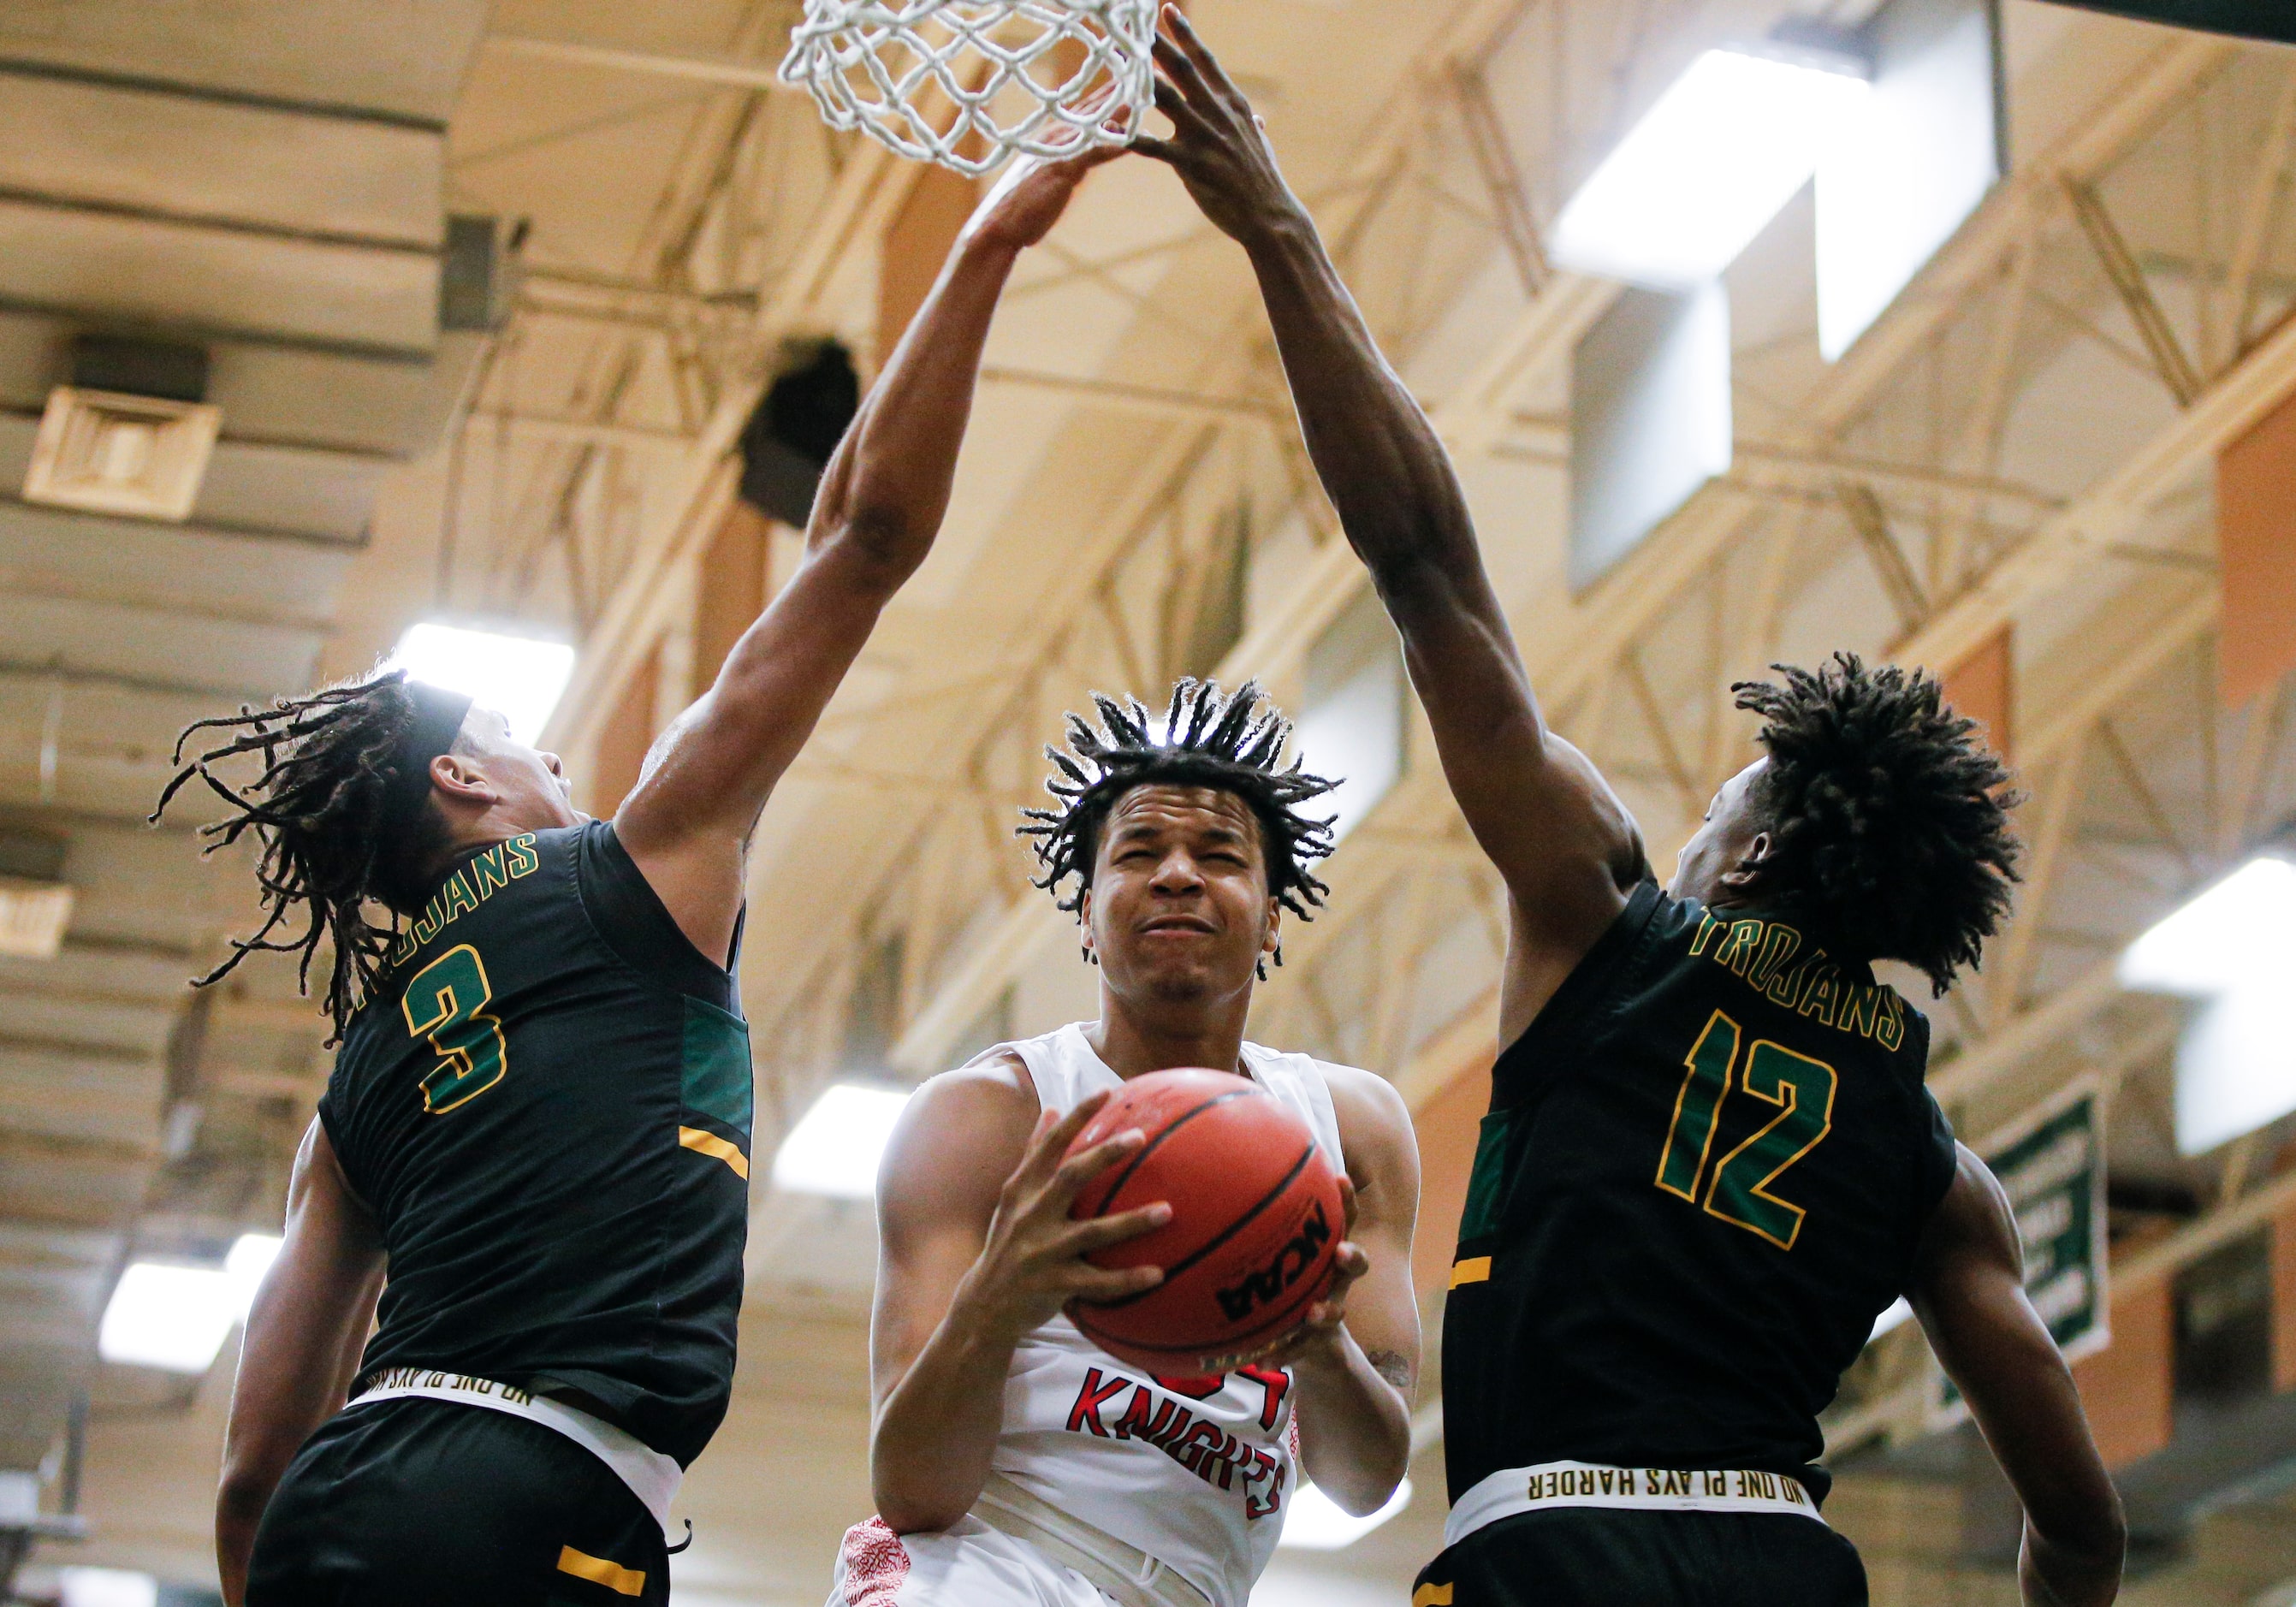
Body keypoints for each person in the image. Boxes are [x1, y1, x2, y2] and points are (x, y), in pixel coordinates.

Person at [1132, 11, 2128, 1607]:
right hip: (1783, 1563)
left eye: (1711, 804)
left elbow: (1423, 565)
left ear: (1751, 851)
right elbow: (2080, 1525)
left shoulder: (1602, 917)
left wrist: (1275, 224)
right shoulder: (1931, 1161)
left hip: (1557, 1541)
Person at [163, 147, 1121, 1607]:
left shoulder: (356, 1083)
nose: (560, 765)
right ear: (463, 781)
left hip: (341, 1505)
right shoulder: (628, 869)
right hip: (536, 1493)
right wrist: (982, 247)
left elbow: (252, 1461)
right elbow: (861, 540)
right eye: (527, 742)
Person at [833, 679, 1422, 1607]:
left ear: (1272, 915)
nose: (1177, 873)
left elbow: (1364, 1484)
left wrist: (1320, 1348)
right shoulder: (987, 1117)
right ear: (1086, 912)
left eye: (1219, 854)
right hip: (994, 1562)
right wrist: (993, 1308)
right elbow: (912, 1489)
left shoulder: (1353, 1129)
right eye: (1138, 851)